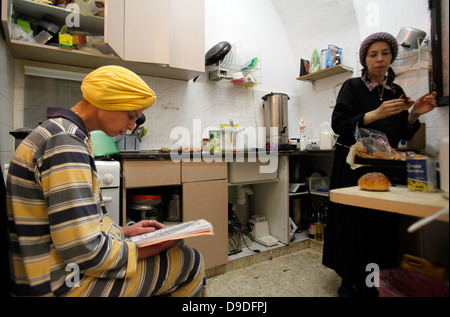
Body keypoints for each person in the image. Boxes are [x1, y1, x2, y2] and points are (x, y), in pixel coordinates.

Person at [5, 65, 206, 297]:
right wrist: (157, 244)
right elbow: (86, 253)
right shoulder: (65, 142)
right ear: (106, 100)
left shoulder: (65, 132)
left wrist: (123, 232)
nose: (132, 126)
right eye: (131, 116)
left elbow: (77, 226)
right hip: (56, 282)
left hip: (48, 268)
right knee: (189, 260)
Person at [322, 32, 437, 297]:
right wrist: (375, 114)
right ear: (365, 59)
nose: (380, 59)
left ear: (391, 57)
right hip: (353, 165)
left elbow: (403, 134)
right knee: (353, 223)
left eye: (385, 53)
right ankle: (349, 280)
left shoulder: (397, 92)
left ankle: (377, 277)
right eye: (373, 54)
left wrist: (415, 113)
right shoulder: (352, 87)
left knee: (381, 223)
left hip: (384, 166)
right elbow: (339, 125)